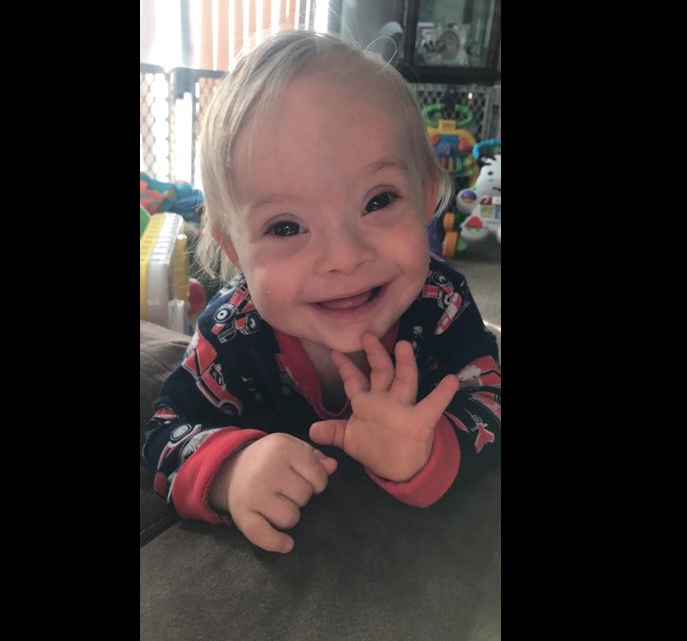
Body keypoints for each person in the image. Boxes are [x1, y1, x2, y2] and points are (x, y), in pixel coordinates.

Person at [142, 31, 501, 554]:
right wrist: (230, 470)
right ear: (236, 252)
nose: (344, 256)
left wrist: (427, 451)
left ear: (426, 197)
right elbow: (163, 431)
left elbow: (489, 397)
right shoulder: (232, 331)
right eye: (286, 227)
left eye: (378, 201)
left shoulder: (442, 304)